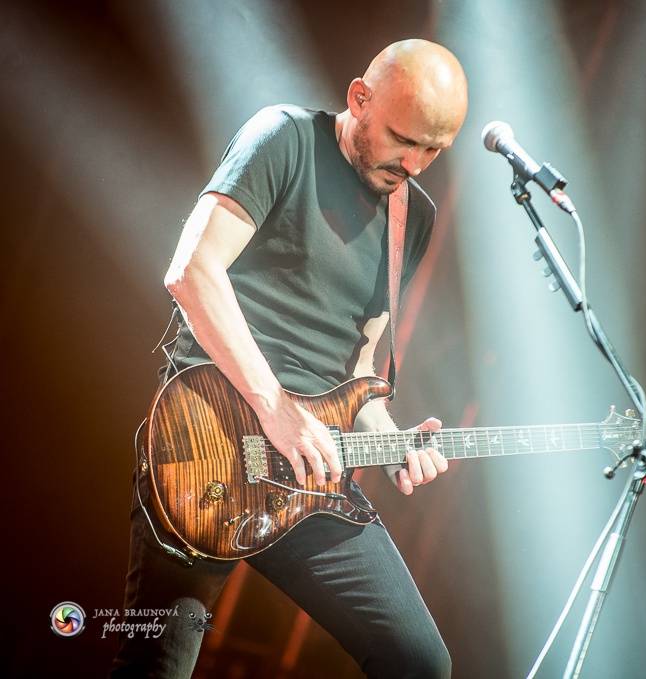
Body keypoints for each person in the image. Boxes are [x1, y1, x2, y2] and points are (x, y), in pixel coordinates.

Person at [109, 38, 468, 678]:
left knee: (420, 662)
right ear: (360, 98)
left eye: (433, 150)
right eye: (401, 138)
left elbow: (359, 365)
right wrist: (274, 408)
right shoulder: (283, 137)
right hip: (207, 442)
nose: (414, 162)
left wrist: (393, 440)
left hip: (309, 475)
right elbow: (192, 272)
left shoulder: (413, 216)